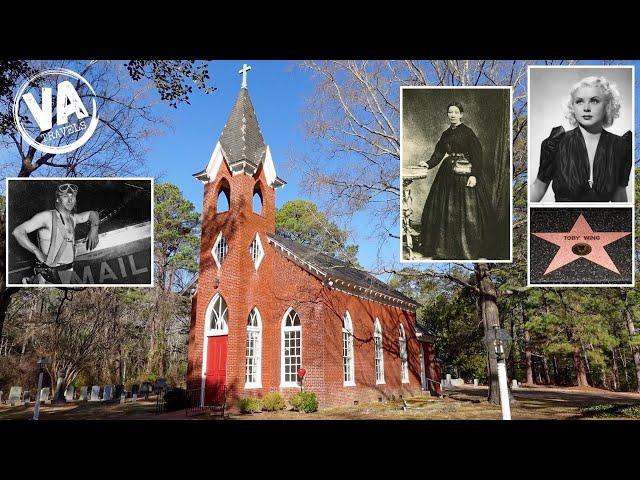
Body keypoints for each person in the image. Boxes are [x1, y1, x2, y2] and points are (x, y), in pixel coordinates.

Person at [531, 76, 632, 202]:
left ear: (608, 105)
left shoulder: (621, 146)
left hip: (601, 221)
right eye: (579, 101)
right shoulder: (555, 144)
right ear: (572, 107)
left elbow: (620, 197)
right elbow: (538, 188)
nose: (586, 108)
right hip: (560, 220)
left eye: (594, 101)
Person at [417, 102, 495, 260]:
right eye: (450, 112)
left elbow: (477, 155)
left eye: (455, 112)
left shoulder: (467, 132)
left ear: (461, 114)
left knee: (466, 212)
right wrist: (428, 163)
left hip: (465, 174)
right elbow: (438, 153)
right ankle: (444, 249)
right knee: (445, 210)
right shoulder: (445, 134)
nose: (452, 115)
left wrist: (474, 175)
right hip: (447, 175)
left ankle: (467, 248)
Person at [12, 183, 100, 284]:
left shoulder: (73, 218)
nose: (70, 200)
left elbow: (93, 213)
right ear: (58, 199)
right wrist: (36, 251)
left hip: (67, 270)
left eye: (73, 197)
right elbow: (18, 232)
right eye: (65, 196)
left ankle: (30, 281)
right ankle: (30, 281)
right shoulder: (46, 216)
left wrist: (94, 229)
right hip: (48, 273)